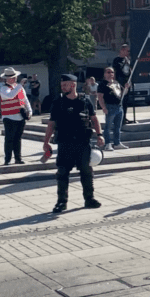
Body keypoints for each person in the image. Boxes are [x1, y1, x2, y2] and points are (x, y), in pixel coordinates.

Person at [43, 74, 104, 213]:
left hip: (83, 143)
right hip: (65, 143)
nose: (63, 87)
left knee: (86, 172)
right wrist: (46, 142)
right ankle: (61, 202)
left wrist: (100, 135)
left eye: (66, 85)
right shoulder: (58, 102)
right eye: (62, 85)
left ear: (73, 85)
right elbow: (51, 123)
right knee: (63, 173)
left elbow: (94, 119)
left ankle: (89, 199)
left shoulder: (85, 101)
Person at [0, 67, 32, 165]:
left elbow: (25, 100)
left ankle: (18, 158)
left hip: (20, 117)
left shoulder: (19, 88)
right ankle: (7, 159)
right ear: (6, 79)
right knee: (9, 139)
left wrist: (29, 111)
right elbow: (10, 95)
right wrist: (20, 85)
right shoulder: (4, 88)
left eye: (15, 77)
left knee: (18, 139)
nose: (15, 79)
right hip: (9, 117)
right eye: (12, 77)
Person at [96, 67, 128, 151]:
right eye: (108, 72)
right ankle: (107, 144)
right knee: (108, 127)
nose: (110, 74)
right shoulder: (102, 84)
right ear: (104, 74)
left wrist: (126, 88)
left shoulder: (116, 83)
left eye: (112, 72)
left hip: (119, 106)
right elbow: (100, 97)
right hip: (110, 106)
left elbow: (123, 93)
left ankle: (117, 143)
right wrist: (103, 107)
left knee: (118, 127)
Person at [112, 44, 133, 123]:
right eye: (127, 51)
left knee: (125, 102)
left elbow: (129, 72)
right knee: (120, 102)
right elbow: (118, 73)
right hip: (120, 85)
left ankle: (124, 117)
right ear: (122, 50)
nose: (128, 52)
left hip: (127, 84)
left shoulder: (127, 60)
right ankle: (119, 118)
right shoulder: (117, 60)